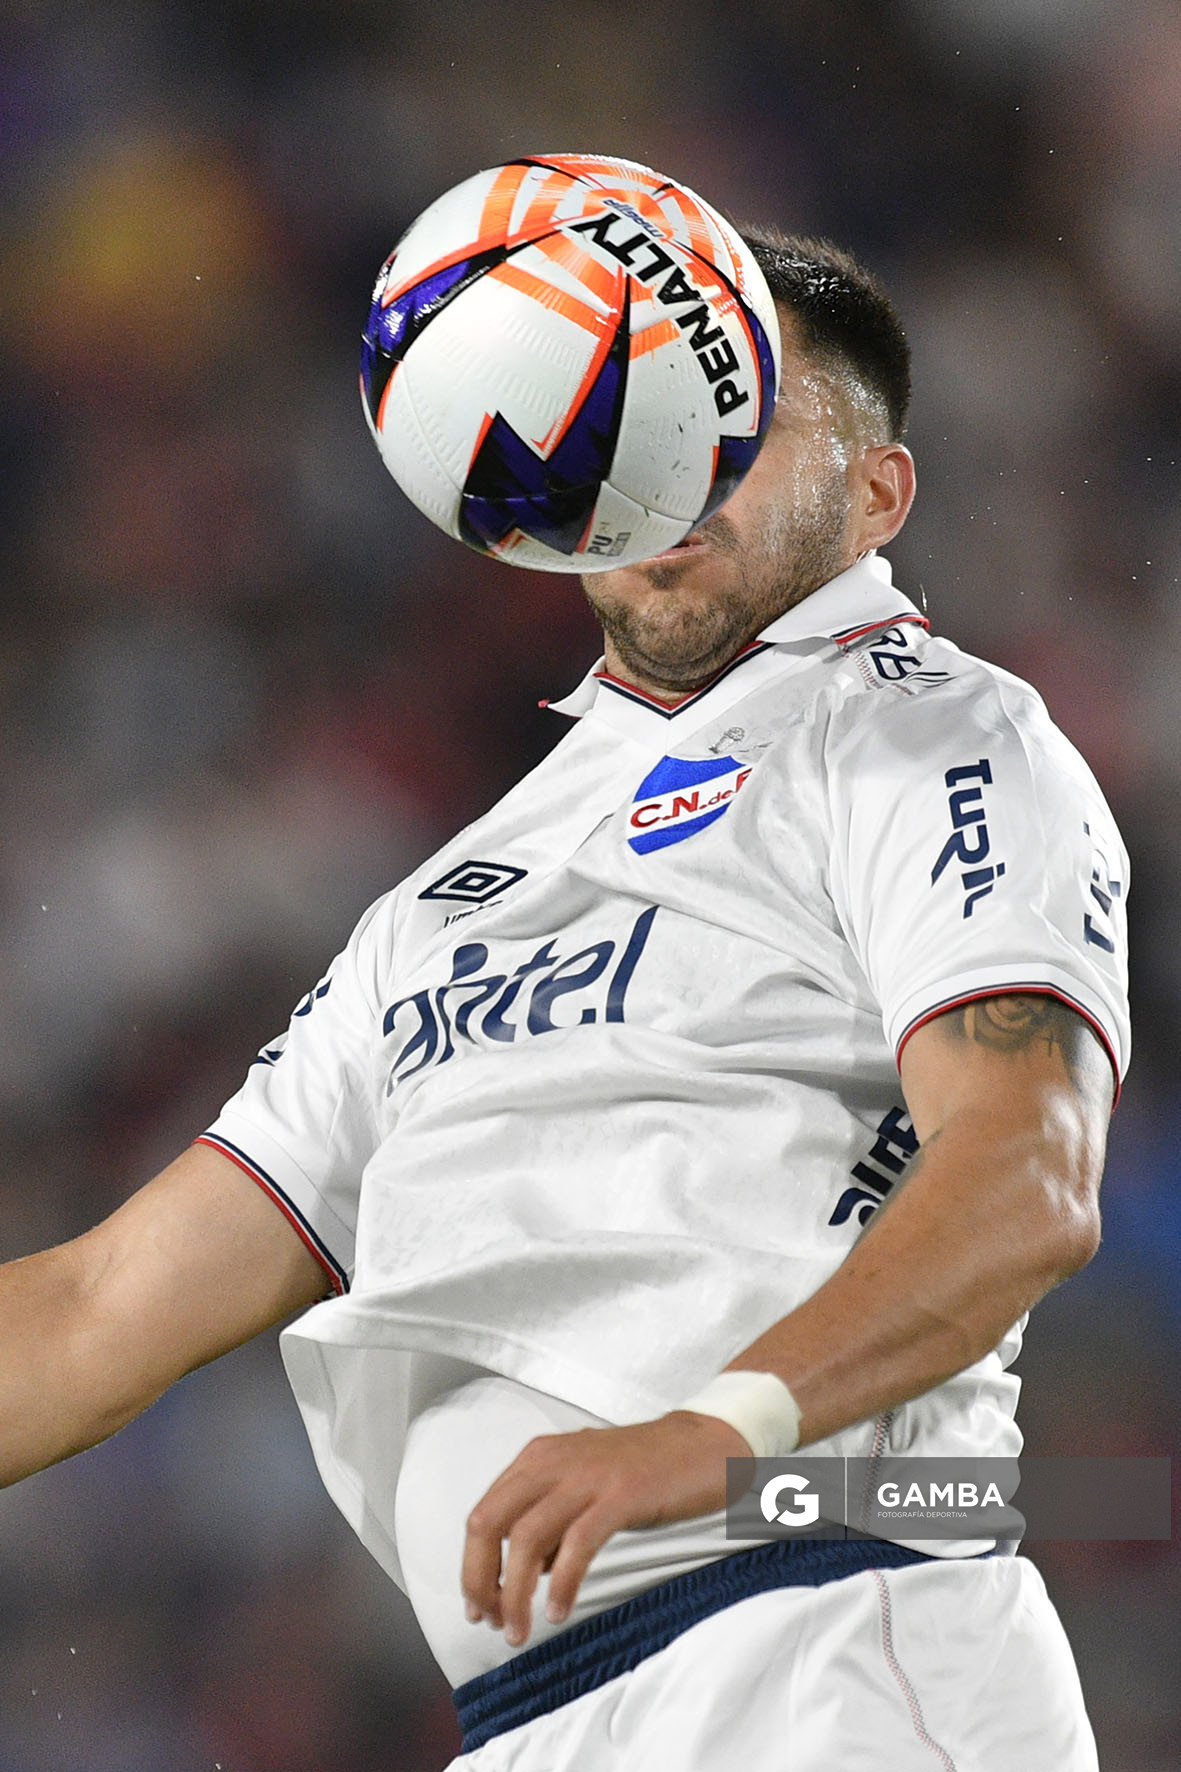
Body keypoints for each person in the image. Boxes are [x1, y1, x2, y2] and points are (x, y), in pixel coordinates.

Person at [0, 226, 1127, 1770]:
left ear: (874, 496)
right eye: (640, 415)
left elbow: (1026, 1175)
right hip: (534, 1717)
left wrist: (723, 1435)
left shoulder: (921, 734)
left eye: (734, 425)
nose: (671, 463)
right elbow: (99, 1306)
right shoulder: (443, 902)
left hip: (822, 1626)